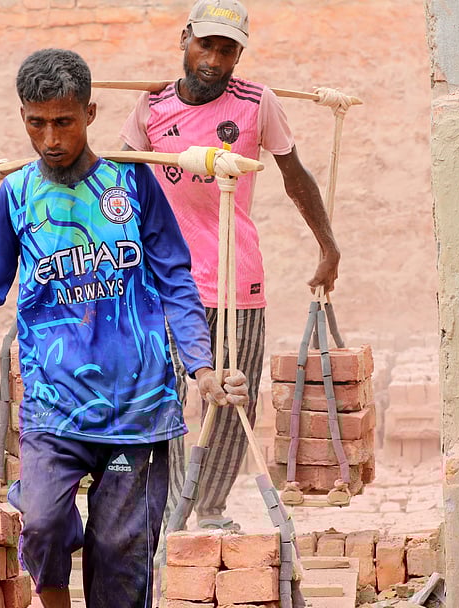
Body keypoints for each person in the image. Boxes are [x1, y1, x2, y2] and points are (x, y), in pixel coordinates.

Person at [0, 48, 247, 608]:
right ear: (23, 118)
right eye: (37, 124)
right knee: (40, 522)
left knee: (119, 546)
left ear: (91, 116)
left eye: (65, 123)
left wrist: (200, 367)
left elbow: (175, 280)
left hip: (139, 409)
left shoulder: (132, 190)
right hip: (52, 407)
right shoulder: (16, 199)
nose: (50, 140)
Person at [120, 0, 341, 531]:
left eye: (227, 50)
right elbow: (119, 182)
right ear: (184, 40)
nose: (214, 60)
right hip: (162, 281)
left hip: (235, 276)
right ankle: (169, 507)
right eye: (206, 45)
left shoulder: (258, 103)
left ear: (239, 54)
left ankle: (211, 508)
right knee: (160, 394)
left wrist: (328, 245)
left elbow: (296, 176)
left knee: (230, 394)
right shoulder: (150, 107)